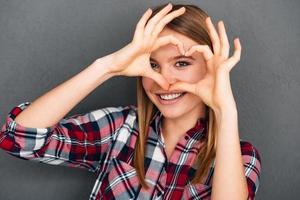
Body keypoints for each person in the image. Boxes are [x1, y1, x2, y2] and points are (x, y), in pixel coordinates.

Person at [0, 2, 261, 200]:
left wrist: (225, 109)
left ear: (211, 68)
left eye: (181, 63)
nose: (163, 80)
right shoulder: (120, 128)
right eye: (153, 64)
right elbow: (17, 139)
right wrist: (108, 67)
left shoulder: (241, 157)